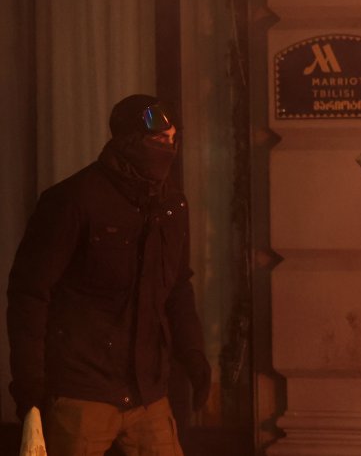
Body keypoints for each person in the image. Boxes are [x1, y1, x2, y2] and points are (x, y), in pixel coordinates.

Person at [8, 94, 210, 455]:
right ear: (129, 142)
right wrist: (30, 391)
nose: (167, 150)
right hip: (82, 393)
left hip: (148, 394)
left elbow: (177, 287)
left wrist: (193, 355)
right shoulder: (73, 201)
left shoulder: (171, 206)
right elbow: (29, 295)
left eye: (172, 141)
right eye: (157, 141)